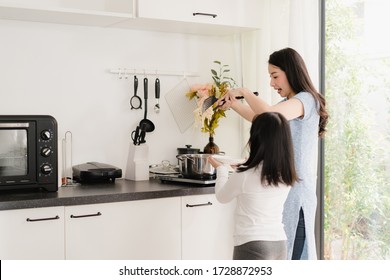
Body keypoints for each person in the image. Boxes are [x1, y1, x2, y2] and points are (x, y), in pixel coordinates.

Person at [218, 47, 328, 260]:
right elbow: (262, 118)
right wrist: (234, 105)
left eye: (275, 76)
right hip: (283, 188)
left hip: (296, 194)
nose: (272, 83)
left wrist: (246, 93)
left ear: (291, 72)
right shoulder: (289, 104)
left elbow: (269, 114)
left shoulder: (306, 100)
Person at [208, 112, 298, 260]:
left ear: (256, 139)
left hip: (252, 244)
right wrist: (246, 165)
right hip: (279, 243)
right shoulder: (286, 175)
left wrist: (221, 169)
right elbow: (261, 175)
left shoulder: (244, 176)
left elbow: (222, 196)